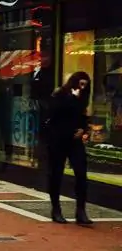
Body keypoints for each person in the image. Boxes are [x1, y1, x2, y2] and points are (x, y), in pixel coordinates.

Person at [48, 71, 93, 226]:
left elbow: (83, 117)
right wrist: (72, 97)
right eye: (81, 84)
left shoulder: (83, 98)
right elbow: (55, 113)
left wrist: (83, 129)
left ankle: (81, 210)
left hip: (75, 140)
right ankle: (56, 209)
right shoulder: (60, 94)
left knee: (81, 173)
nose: (82, 87)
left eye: (85, 85)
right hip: (58, 139)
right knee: (56, 174)